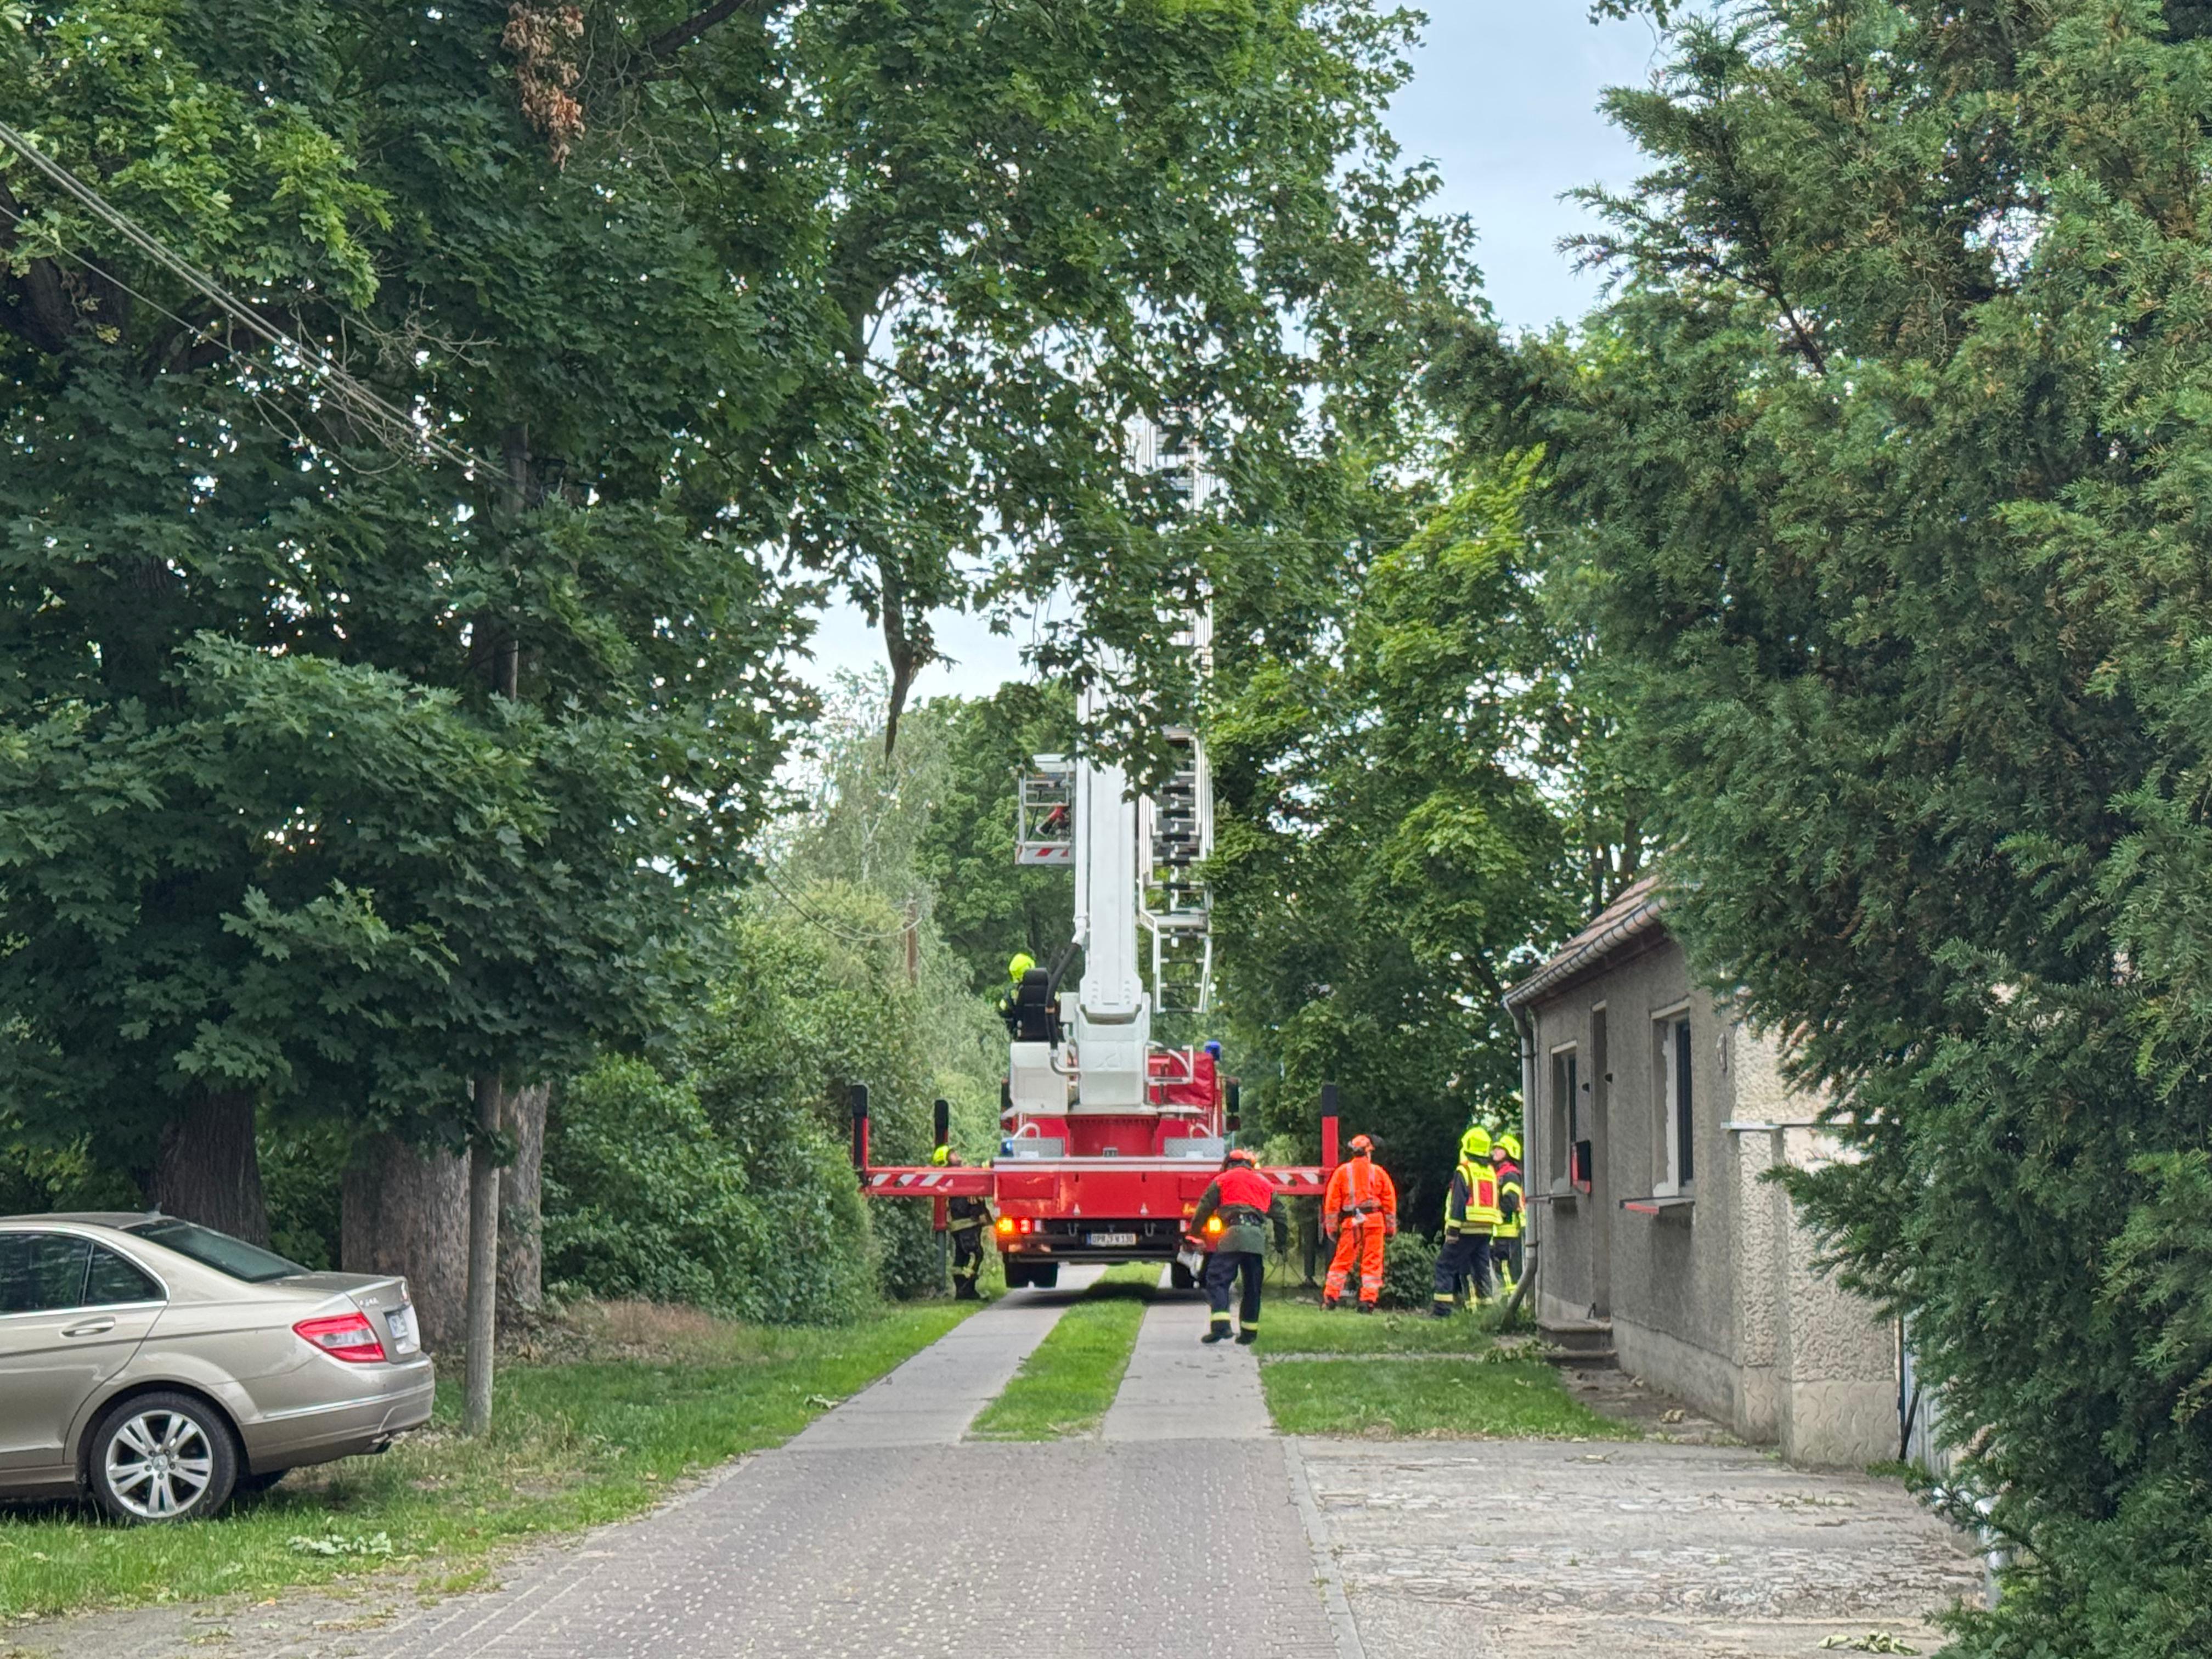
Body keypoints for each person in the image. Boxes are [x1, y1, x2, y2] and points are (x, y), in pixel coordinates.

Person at [1189, 1147, 1273, 1344]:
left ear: (1228, 1164)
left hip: (1232, 1236)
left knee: (1217, 1279)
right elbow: (1279, 1214)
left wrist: (1194, 1232)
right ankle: (1249, 1334)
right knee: (1253, 1287)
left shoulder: (1222, 1180)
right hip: (1255, 1239)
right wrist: (1283, 1242)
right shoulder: (1264, 1183)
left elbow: (1204, 1207)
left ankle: (1221, 1327)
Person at [1321, 1135, 1397, 1312]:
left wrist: (1332, 1230)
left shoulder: (1341, 1172)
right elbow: (1389, 1203)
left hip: (1352, 1223)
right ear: (1369, 1152)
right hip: (1375, 1223)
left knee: (1341, 1262)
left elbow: (1332, 1204)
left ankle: (1330, 1298)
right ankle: (1367, 1302)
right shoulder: (1379, 1173)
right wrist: (1391, 1228)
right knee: (1372, 1263)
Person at [1431, 1126, 1500, 1317]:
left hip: (1466, 1229)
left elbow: (1458, 1202)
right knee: (1481, 1270)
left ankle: (1441, 1311)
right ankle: (1487, 1311)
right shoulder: (1490, 1172)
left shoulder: (1465, 1170)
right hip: (1486, 1230)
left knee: (1444, 1266)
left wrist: (1452, 1231)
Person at [934, 1146, 992, 1300]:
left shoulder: (957, 1174)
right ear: (946, 1161)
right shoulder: (955, 1176)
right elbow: (961, 1205)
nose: (956, 1154)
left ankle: (963, 1292)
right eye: (952, 1154)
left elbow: (976, 1172)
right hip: (965, 1224)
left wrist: (992, 1164)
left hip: (964, 1225)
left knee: (962, 1259)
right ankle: (967, 1290)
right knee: (976, 1255)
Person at [1491, 1132, 1525, 1295]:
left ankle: (1511, 1302)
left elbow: (1510, 1202)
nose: (1495, 1151)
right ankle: (1509, 1301)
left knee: (1507, 1268)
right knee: (1502, 1267)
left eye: (1500, 1148)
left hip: (1508, 1230)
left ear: (1509, 1152)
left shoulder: (1510, 1175)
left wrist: (1498, 1216)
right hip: (1501, 1230)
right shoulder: (1500, 1174)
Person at [996, 952, 1036, 1036]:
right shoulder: (1049, 991)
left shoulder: (1011, 996)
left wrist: (1014, 1031)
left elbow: (1002, 1018)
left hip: (1020, 1039)